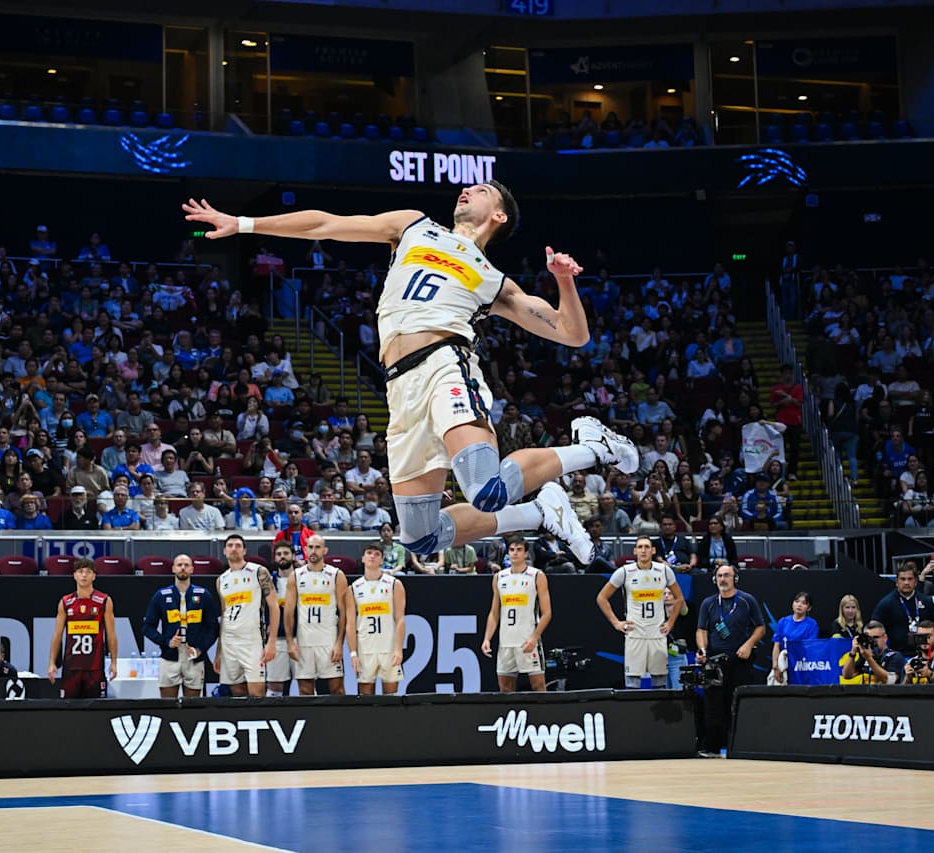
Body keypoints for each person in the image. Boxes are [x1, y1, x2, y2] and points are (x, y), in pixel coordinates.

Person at [184, 190, 637, 567]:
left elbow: (573, 334)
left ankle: (594, 446)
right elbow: (325, 224)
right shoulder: (414, 225)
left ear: (498, 215)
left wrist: (564, 281)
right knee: (421, 539)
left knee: (485, 489)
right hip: (399, 387)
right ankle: (538, 512)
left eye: (482, 190)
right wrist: (243, 223)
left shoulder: (494, 281)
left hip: (445, 365)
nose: (468, 190)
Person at [695, 564, 766, 756]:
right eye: (719, 576)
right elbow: (701, 630)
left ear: (735, 578)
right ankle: (712, 749)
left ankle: (740, 747)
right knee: (713, 707)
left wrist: (749, 644)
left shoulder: (746, 600)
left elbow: (761, 627)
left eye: (727, 575)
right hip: (714, 663)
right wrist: (702, 650)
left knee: (738, 704)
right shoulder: (708, 603)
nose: (722, 579)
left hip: (740, 662)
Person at [596, 536, 684, 688]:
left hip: (657, 633)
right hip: (635, 633)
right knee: (632, 683)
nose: (643, 550)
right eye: (640, 547)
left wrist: (670, 623)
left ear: (653, 550)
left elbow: (679, 598)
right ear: (635, 551)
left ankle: (659, 712)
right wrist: (616, 623)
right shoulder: (625, 572)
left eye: (647, 547)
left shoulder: (664, 571)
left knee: (660, 683)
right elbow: (601, 598)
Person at [143, 554, 221, 698]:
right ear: (173, 569)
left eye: (186, 565)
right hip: (169, 658)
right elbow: (148, 627)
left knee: (192, 707)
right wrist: (166, 642)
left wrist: (200, 649)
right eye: (179, 565)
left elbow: (213, 628)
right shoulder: (161, 595)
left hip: (193, 658)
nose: (183, 568)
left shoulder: (203, 594)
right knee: (167, 705)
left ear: (192, 569)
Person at [481, 535, 552, 693]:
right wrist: (487, 638)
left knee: (539, 686)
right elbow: (494, 613)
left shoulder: (536, 576)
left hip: (527, 640)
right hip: (506, 641)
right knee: (505, 689)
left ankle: (542, 717)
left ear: (526, 554)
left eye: (519, 550)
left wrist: (534, 637)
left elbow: (547, 613)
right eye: (512, 550)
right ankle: (511, 718)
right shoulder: (499, 577)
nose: (515, 553)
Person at [284, 534, 349, 696]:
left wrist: (340, 643)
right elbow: (288, 612)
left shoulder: (336, 575)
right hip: (304, 641)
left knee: (337, 689)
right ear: (305, 549)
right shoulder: (296, 576)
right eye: (310, 547)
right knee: (305, 691)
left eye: (317, 547)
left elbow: (344, 612)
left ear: (325, 550)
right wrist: (290, 642)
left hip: (329, 641)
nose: (313, 551)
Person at [215, 534, 279, 697]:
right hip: (229, 640)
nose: (234, 548)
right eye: (230, 545)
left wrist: (271, 642)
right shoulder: (221, 580)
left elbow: (274, 607)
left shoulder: (259, 572)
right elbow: (224, 615)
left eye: (238, 545)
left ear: (244, 550)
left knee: (257, 692)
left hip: (252, 639)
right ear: (224, 551)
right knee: (236, 690)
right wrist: (219, 651)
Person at [47, 558, 118, 699]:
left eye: (88, 572)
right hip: (71, 667)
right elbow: (57, 635)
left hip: (95, 668)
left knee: (96, 709)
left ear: (94, 576)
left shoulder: (104, 600)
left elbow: (111, 634)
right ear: (74, 575)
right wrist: (52, 663)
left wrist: (114, 663)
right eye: (80, 572)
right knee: (68, 709)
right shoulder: (66, 602)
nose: (84, 575)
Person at [871, 561, 934, 656]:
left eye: (910, 579)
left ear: (916, 582)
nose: (906, 582)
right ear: (896, 582)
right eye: (903, 579)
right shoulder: (886, 603)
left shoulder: (925, 600)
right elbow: (873, 627)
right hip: (898, 656)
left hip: (925, 654)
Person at [349, 541, 406, 695]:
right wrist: (353, 653)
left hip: (389, 648)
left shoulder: (394, 584)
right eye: (369, 553)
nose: (372, 556)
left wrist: (399, 649)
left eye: (377, 554)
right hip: (365, 649)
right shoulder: (354, 588)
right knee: (366, 701)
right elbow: (350, 623)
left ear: (382, 560)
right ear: (362, 558)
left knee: (391, 700)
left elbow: (400, 619)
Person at [266, 541, 298, 696]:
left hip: (300, 637)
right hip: (277, 639)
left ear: (293, 556)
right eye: (279, 554)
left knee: (305, 682)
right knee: (274, 684)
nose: (282, 557)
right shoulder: (269, 581)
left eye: (286, 553)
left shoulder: (302, 578)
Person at [768, 592, 820, 685]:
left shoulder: (812, 624)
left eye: (804, 603)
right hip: (783, 664)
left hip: (801, 666)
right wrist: (775, 666)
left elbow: (810, 648)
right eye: (797, 601)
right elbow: (776, 645)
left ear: (809, 608)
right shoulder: (783, 622)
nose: (799, 605)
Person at [840, 620, 905, 685]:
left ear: (885, 638)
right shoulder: (864, 657)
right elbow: (847, 675)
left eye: (876, 637)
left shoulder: (895, 657)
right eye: (869, 638)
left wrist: (869, 658)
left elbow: (889, 680)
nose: (873, 641)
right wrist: (853, 652)